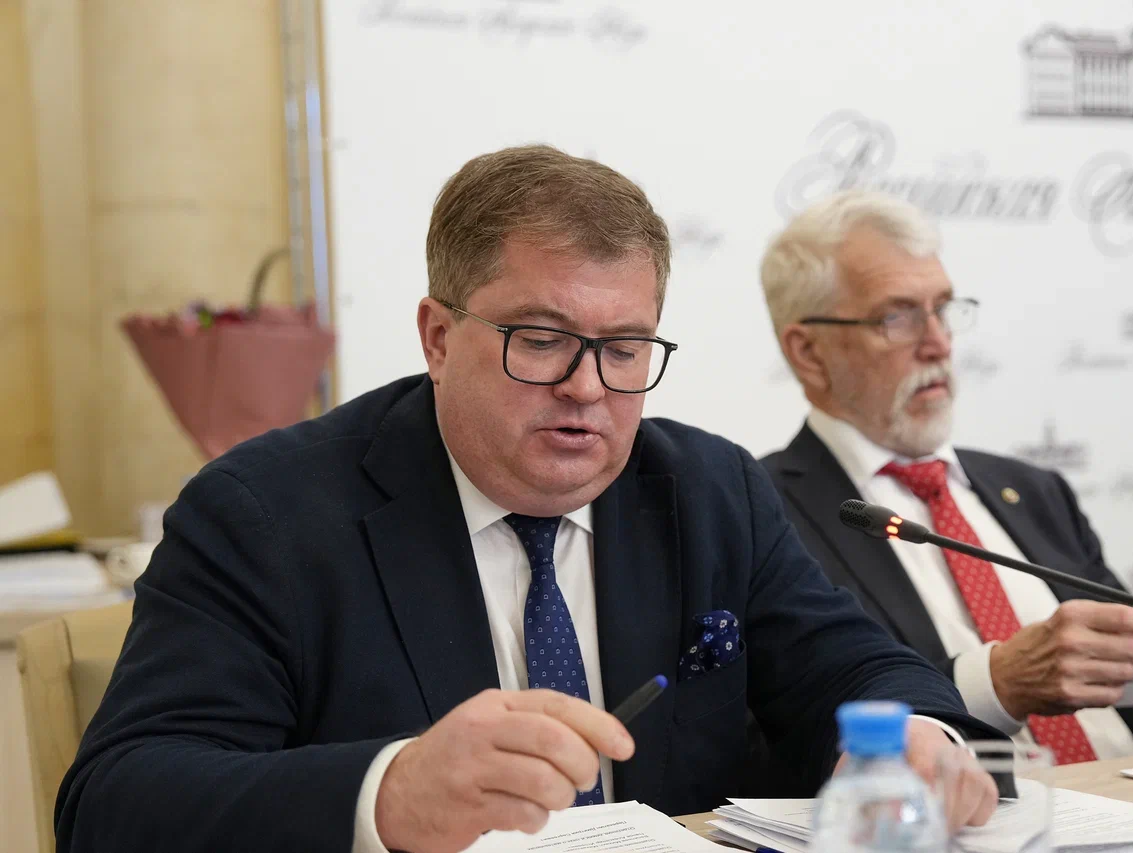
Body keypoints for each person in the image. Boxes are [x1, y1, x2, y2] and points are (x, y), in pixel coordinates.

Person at [56, 147, 1002, 853]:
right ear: (437, 337)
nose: (587, 387)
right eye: (541, 340)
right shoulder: (264, 515)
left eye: (625, 348)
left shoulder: (709, 489)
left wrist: (918, 739)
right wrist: (388, 793)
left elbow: (857, 666)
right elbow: (116, 800)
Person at [758, 188, 1133, 765]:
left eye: (944, 309)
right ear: (809, 352)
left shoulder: (1034, 490)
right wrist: (997, 682)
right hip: (981, 807)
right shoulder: (762, 512)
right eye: (897, 317)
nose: (939, 343)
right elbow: (796, 726)